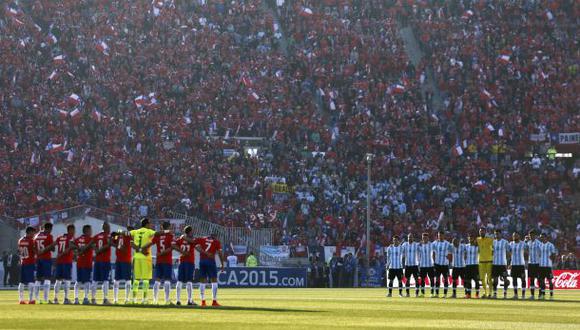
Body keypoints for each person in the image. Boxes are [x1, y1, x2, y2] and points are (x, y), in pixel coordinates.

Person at [193, 232, 224, 307]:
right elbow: (220, 253)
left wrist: (203, 252)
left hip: (202, 261)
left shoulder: (202, 239)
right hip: (210, 261)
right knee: (214, 280)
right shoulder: (216, 242)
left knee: (202, 281)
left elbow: (195, 245)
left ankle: (203, 301)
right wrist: (222, 264)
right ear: (215, 236)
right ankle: (214, 301)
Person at [130, 218, 157, 304]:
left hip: (137, 256)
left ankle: (134, 299)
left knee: (136, 279)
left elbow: (127, 234)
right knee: (146, 279)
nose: (150, 225)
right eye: (149, 223)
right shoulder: (149, 231)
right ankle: (144, 299)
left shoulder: (136, 231)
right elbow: (158, 234)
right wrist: (167, 231)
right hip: (146, 257)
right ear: (147, 224)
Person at [151, 221, 174, 305]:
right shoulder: (170, 235)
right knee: (167, 280)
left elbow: (150, 243)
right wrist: (162, 253)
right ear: (168, 227)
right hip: (167, 260)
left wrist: (142, 248)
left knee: (157, 280)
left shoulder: (157, 236)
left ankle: (155, 300)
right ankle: (167, 300)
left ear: (161, 227)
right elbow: (171, 248)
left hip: (159, 261)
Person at [33, 222, 56, 304]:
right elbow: (53, 249)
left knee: (38, 278)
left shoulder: (36, 236)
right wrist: (51, 246)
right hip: (46, 258)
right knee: (47, 278)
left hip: (38, 259)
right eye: (51, 229)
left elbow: (33, 248)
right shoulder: (49, 236)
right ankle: (46, 299)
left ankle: (37, 299)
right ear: (49, 228)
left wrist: (38, 253)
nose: (51, 231)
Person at [54, 224, 76, 304]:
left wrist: (58, 254)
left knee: (58, 280)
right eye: (73, 230)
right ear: (70, 230)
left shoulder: (59, 237)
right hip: (66, 261)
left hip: (59, 261)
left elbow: (53, 245)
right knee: (67, 280)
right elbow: (69, 248)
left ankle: (55, 299)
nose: (74, 232)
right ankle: (66, 299)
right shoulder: (70, 238)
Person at [174, 226, 196, 306]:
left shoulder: (181, 239)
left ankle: (178, 300)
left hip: (182, 261)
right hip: (189, 262)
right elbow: (194, 242)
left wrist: (181, 251)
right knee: (189, 281)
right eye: (192, 231)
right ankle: (189, 301)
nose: (193, 233)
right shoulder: (192, 240)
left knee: (179, 281)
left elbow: (173, 245)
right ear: (190, 232)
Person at [92, 222, 113, 304]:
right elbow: (108, 245)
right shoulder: (108, 236)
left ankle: (93, 299)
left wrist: (96, 250)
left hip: (97, 260)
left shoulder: (96, 236)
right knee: (105, 280)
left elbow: (92, 244)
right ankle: (105, 299)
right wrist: (99, 250)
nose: (109, 228)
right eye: (108, 227)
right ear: (105, 228)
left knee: (95, 280)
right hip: (105, 260)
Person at [112, 227, 133, 304]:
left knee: (127, 280)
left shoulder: (126, 236)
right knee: (117, 280)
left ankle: (126, 299)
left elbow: (124, 249)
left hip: (125, 260)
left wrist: (115, 244)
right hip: (121, 260)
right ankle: (116, 299)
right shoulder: (126, 236)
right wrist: (114, 236)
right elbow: (113, 240)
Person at [74, 225, 94, 305]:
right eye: (90, 230)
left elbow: (72, 247)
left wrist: (76, 254)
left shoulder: (77, 239)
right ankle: (85, 298)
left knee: (78, 281)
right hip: (87, 263)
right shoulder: (90, 239)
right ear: (87, 231)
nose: (91, 232)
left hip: (79, 263)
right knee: (86, 281)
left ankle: (76, 299)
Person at [18, 227, 37, 304]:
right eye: (33, 233)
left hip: (23, 262)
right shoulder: (31, 241)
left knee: (22, 282)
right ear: (29, 232)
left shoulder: (20, 240)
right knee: (31, 281)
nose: (34, 234)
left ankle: (21, 300)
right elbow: (34, 251)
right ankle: (31, 299)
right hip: (30, 262)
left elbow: (19, 251)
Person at [432, 231, 452, 298]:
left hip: (445, 264)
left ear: (443, 236)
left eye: (441, 235)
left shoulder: (448, 244)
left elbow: (450, 254)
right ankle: (437, 294)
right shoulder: (435, 243)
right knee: (437, 279)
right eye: (438, 235)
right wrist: (434, 262)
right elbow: (433, 254)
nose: (439, 237)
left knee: (445, 279)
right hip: (437, 264)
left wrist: (449, 259)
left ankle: (445, 294)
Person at [492, 229, 511, 299]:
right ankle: (495, 294)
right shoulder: (493, 242)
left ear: (501, 234)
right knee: (495, 280)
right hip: (495, 264)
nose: (496, 235)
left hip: (503, 264)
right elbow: (491, 252)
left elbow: (509, 253)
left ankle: (505, 294)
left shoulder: (505, 242)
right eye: (495, 234)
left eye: (498, 234)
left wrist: (508, 262)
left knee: (505, 279)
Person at [538, 233, 557, 300]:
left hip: (548, 266)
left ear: (546, 237)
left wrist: (553, 263)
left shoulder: (550, 245)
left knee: (550, 281)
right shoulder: (539, 245)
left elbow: (554, 255)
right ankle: (543, 295)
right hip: (541, 266)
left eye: (543, 237)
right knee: (542, 281)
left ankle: (551, 295)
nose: (542, 238)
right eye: (541, 237)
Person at [509, 232, 527, 299]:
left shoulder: (523, 243)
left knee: (523, 279)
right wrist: (510, 263)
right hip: (513, 265)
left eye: (516, 235)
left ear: (519, 236)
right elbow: (509, 254)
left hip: (521, 265)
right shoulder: (510, 244)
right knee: (514, 279)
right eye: (513, 235)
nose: (514, 237)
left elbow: (528, 249)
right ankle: (516, 294)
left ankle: (523, 295)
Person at [477, 227, 494, 298]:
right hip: (481, 261)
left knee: (489, 278)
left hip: (489, 261)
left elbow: (494, 247)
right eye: (480, 231)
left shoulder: (490, 239)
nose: (481, 233)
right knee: (481, 278)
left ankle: (490, 293)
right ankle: (485, 292)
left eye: (483, 231)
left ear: (485, 232)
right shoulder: (477, 239)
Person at [526, 230, 542, 300]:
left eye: (532, 235)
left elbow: (542, 252)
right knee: (531, 279)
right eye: (530, 235)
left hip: (537, 263)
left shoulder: (539, 243)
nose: (531, 236)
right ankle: (532, 295)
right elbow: (525, 250)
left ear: (535, 236)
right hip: (530, 263)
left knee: (539, 279)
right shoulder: (528, 243)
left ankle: (540, 294)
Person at [418, 233, 435, 297]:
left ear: (428, 238)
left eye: (425, 237)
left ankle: (432, 293)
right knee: (422, 279)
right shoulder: (419, 245)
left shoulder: (431, 245)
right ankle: (422, 293)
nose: (424, 239)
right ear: (422, 238)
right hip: (422, 265)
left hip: (430, 265)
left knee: (432, 279)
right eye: (423, 238)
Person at [464, 233, 480, 299]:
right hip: (468, 265)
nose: (470, 239)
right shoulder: (466, 246)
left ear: (474, 239)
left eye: (472, 238)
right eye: (469, 238)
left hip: (475, 265)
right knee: (468, 281)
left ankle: (477, 294)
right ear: (468, 239)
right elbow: (464, 255)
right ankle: (468, 294)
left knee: (476, 280)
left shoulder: (477, 246)